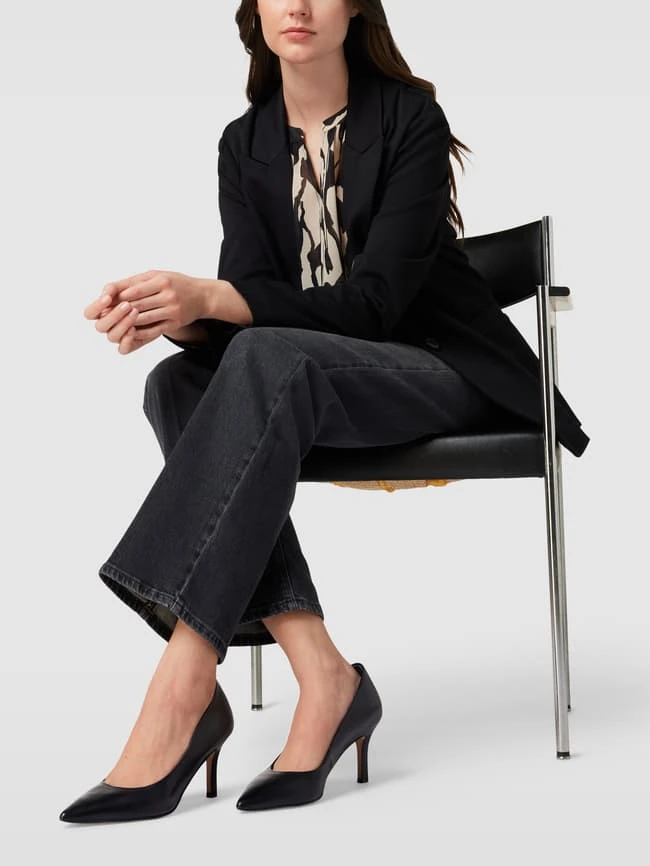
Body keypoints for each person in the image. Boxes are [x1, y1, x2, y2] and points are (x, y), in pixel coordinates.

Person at [60, 0, 589, 823]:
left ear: (355, 8)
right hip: (313, 379)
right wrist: (178, 316)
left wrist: (216, 298)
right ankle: (323, 674)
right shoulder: (245, 144)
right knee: (176, 385)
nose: (298, 5)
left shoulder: (409, 119)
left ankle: (184, 680)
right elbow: (252, 311)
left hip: (434, 366)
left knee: (265, 359)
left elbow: (375, 307)